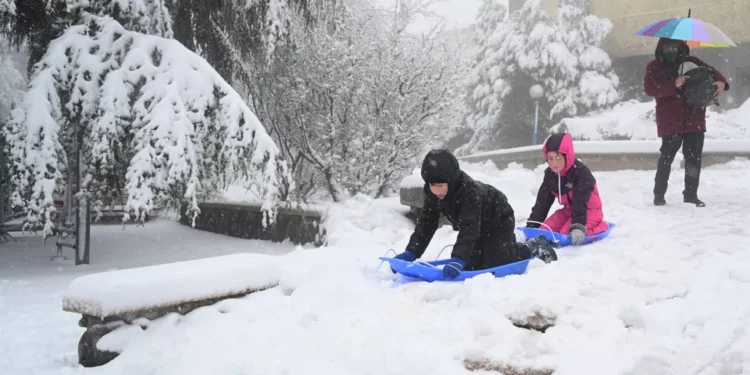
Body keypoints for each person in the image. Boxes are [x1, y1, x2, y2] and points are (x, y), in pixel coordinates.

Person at [393, 149, 558, 279]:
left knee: (496, 261)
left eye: (440, 185)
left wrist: (457, 258)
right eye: (431, 185)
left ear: (451, 180)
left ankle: (531, 246)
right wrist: (412, 252)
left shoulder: (468, 192)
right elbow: (426, 224)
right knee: (473, 264)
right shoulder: (432, 193)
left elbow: (469, 228)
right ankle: (497, 249)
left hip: (498, 219)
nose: (436, 191)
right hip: (478, 225)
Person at [644, 37, 729, 207]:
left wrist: (722, 83)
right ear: (661, 48)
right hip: (670, 121)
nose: (671, 51)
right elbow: (649, 89)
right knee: (666, 159)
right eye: (667, 47)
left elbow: (717, 75)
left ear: (682, 47)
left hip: (694, 118)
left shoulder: (693, 62)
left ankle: (691, 195)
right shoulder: (654, 67)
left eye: (675, 47)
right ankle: (659, 195)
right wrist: (673, 84)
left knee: (693, 159)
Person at [525, 133, 609, 246]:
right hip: (568, 210)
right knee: (544, 231)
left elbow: (580, 203)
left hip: (589, 211)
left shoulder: (581, 173)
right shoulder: (550, 175)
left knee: (566, 235)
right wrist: (531, 228)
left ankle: (602, 226)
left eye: (558, 158)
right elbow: (542, 204)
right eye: (550, 158)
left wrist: (578, 226)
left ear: (567, 156)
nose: (553, 163)